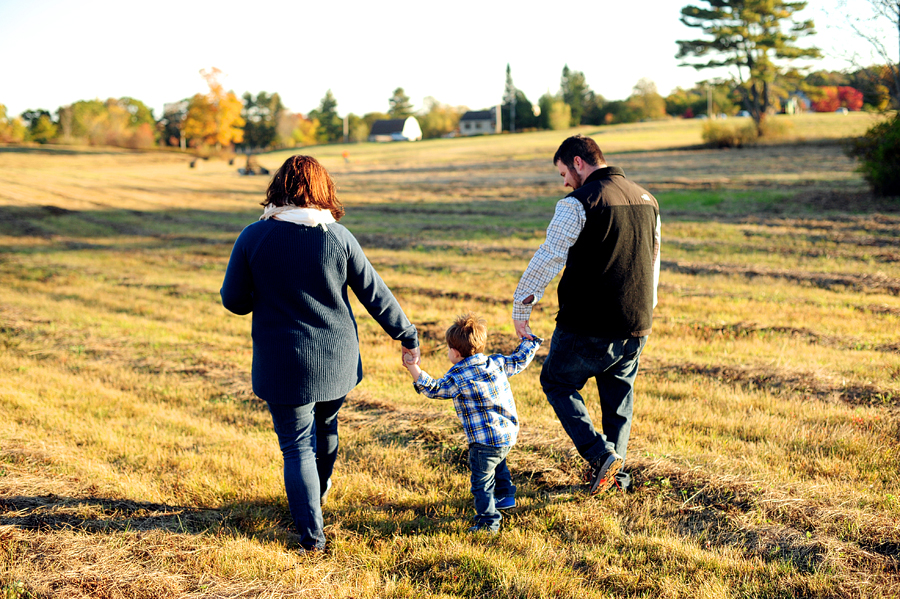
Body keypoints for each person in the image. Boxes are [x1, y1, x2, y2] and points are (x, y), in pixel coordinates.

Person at [220, 155, 419, 552]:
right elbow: (374, 294)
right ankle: (319, 491)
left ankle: (312, 537)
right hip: (337, 358)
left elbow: (235, 301)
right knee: (326, 426)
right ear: (323, 190)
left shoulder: (253, 237)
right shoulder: (337, 236)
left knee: (296, 447)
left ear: (277, 189)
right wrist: (407, 334)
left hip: (283, 362)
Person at [512, 135, 660, 495]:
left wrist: (522, 306)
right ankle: (617, 479)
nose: (564, 182)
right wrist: (646, 308)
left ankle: (599, 455)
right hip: (636, 323)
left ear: (578, 162)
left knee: (557, 382)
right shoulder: (647, 199)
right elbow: (653, 261)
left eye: (563, 172)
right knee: (618, 402)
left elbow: (549, 257)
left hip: (589, 324)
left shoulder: (579, 203)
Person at [403, 313, 542, 533]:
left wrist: (413, 368)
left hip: (483, 442)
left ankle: (488, 522)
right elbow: (519, 359)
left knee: (481, 481)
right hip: (507, 434)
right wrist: (529, 340)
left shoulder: (458, 375)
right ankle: (505, 494)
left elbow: (434, 389)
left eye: (449, 349)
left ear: (455, 353)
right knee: (498, 459)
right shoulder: (496, 362)